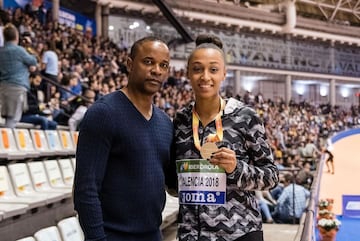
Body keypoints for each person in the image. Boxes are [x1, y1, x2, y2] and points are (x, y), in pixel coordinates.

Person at [168, 34, 279, 241]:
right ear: (188, 73)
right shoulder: (181, 120)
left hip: (239, 232)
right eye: (198, 69)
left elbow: (271, 176)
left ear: (224, 74)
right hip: (192, 234)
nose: (205, 76)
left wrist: (236, 169)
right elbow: (175, 183)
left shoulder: (245, 116)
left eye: (213, 69)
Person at [73, 36, 173, 241]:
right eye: (148, 62)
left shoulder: (165, 122)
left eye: (163, 65)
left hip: (154, 234)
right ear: (129, 64)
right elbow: (85, 189)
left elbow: (172, 181)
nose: (157, 70)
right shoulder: (103, 113)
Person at [0, 23, 37, 128]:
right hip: (17, 88)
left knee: (7, 118)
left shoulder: (1, 51)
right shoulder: (19, 50)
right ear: (16, 36)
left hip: (3, 87)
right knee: (13, 120)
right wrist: (29, 46)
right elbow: (33, 61)